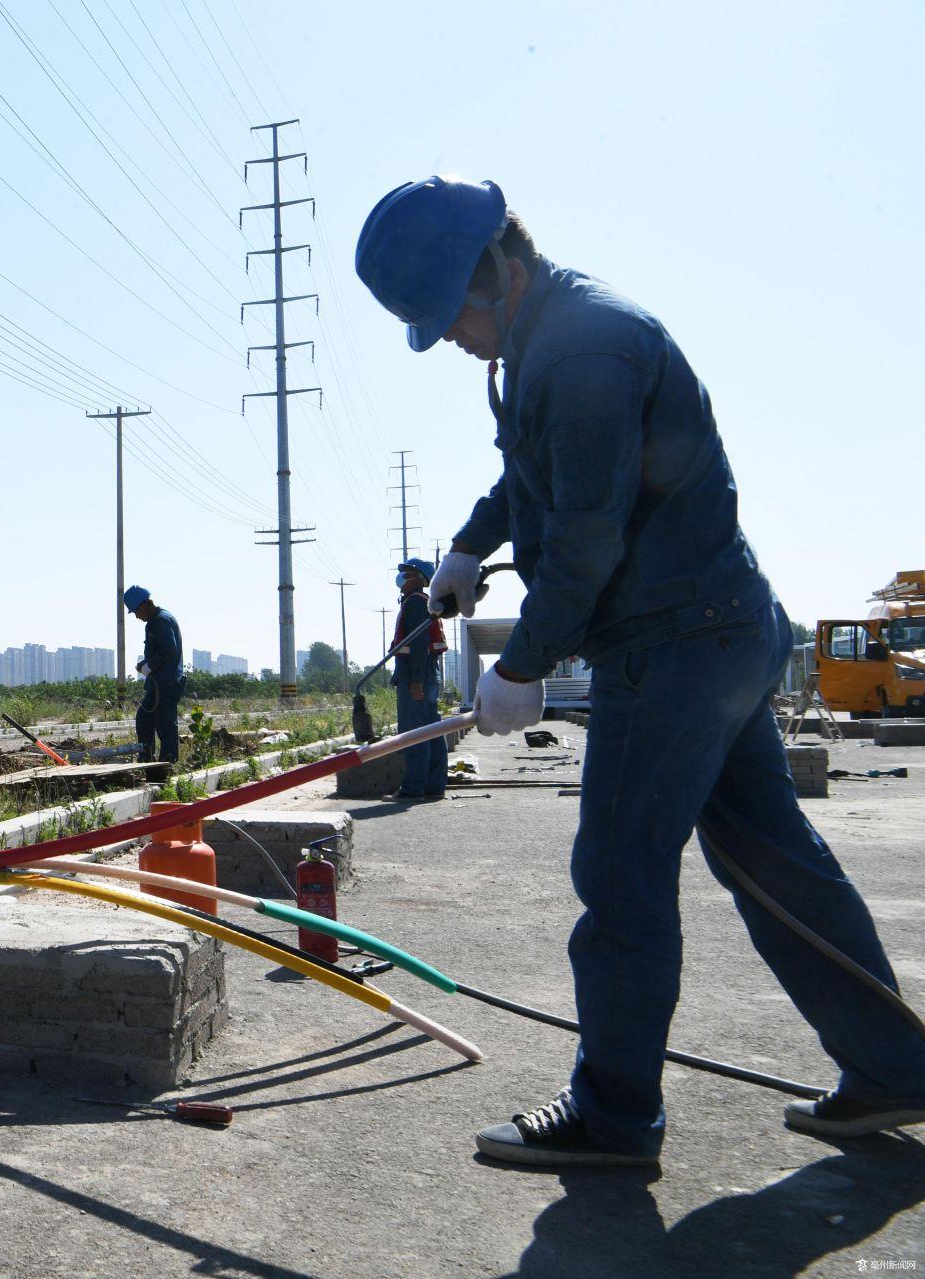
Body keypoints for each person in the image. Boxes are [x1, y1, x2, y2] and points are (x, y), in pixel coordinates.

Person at [355, 175, 925, 1168]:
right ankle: (895, 1071)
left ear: (499, 268)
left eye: (449, 313)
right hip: (718, 631)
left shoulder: (581, 352)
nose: (448, 336)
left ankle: (615, 1117)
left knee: (619, 873)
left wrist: (522, 665)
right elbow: (529, 474)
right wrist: (467, 544)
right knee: (773, 859)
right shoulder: (554, 335)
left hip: (669, 647)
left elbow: (583, 541)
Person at [390, 558, 447, 799]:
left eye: (408, 572)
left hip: (417, 674)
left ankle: (413, 789)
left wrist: (416, 681)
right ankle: (433, 787)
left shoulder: (415, 603)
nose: (402, 576)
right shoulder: (424, 603)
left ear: (420, 579)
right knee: (431, 731)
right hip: (427, 673)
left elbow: (419, 643)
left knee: (414, 732)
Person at [123, 585, 184, 764]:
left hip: (166, 684)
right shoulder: (154, 621)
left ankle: (167, 767)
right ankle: (147, 761)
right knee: (144, 718)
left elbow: (169, 651)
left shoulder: (161, 621)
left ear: (144, 605)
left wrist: (150, 665)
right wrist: (145, 664)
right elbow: (159, 652)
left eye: (136, 611)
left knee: (165, 726)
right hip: (158, 684)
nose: (136, 616)